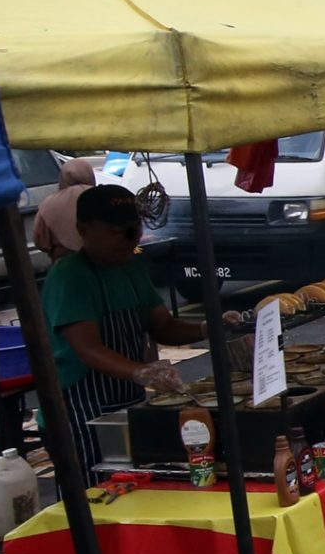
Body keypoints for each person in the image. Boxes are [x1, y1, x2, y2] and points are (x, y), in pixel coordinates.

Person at [41, 185, 208, 469]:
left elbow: (163, 326)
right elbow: (88, 350)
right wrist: (141, 371)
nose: (128, 241)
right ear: (83, 229)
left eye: (133, 231)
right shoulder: (69, 276)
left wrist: (208, 329)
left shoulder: (131, 268)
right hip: (78, 411)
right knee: (94, 492)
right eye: (115, 233)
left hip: (128, 402)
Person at [31, 156, 101, 261]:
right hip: (103, 261)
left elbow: (41, 241)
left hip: (64, 263)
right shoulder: (103, 197)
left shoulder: (48, 203)